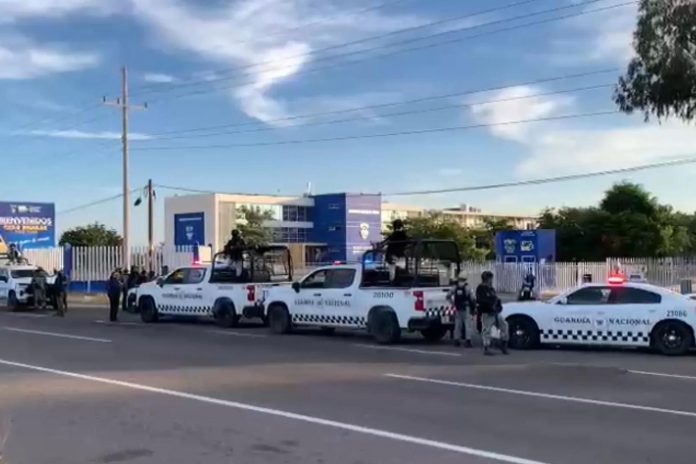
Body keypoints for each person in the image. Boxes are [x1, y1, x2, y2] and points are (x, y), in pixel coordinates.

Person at [476, 271, 509, 355]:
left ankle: (503, 344)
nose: (491, 280)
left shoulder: (491, 289)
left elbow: (496, 299)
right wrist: (490, 304)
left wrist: (498, 306)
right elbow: (481, 300)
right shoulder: (481, 288)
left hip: (495, 313)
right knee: (486, 330)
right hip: (486, 313)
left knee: (504, 325)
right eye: (490, 278)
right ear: (487, 279)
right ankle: (486, 348)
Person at [448, 274, 476, 347]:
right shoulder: (468, 287)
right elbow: (473, 298)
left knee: (458, 325)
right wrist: (474, 307)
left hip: (458, 308)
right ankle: (468, 341)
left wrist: (453, 303)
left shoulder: (454, 287)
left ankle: (456, 340)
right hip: (466, 308)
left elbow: (448, 296)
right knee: (468, 325)